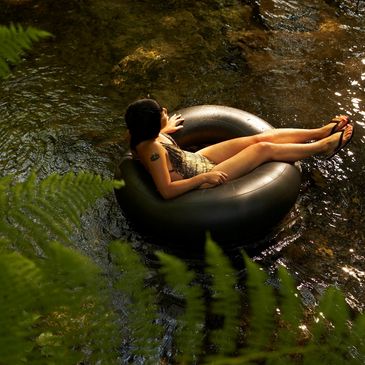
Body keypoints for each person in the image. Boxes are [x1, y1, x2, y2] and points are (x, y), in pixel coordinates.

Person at [125, 99, 354, 200]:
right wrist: (204, 177)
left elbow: (152, 136)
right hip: (195, 176)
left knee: (258, 138)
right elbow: (166, 191)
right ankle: (323, 146)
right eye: (161, 113)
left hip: (192, 159)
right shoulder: (153, 151)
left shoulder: (138, 133)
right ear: (151, 127)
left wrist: (164, 127)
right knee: (263, 149)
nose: (165, 109)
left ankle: (319, 131)